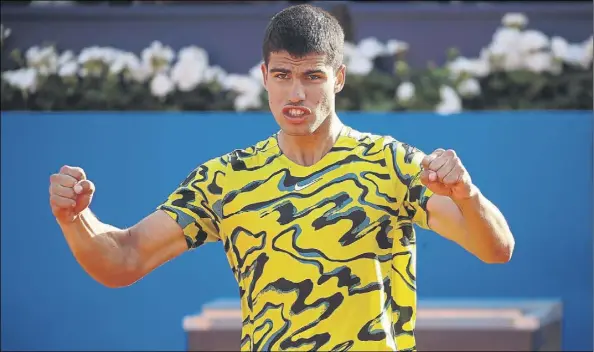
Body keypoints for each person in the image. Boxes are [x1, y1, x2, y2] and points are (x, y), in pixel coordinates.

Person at [49, 4, 515, 352]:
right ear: (264, 76)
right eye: (283, 75)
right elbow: (124, 259)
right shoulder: (225, 179)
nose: (297, 93)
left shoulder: (393, 164)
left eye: (313, 76)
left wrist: (466, 195)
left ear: (338, 78)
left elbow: (496, 249)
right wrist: (75, 218)